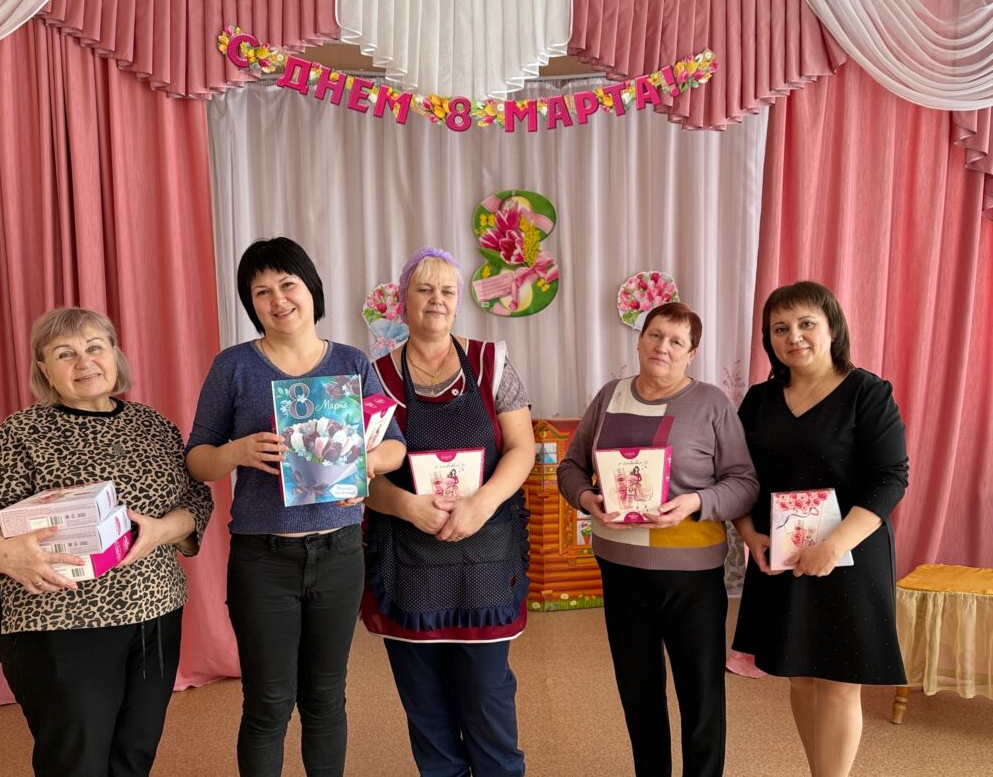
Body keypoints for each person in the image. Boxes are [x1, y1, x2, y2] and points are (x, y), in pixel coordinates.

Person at [185, 237, 405, 777]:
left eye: (288, 284)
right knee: (268, 703)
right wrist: (236, 452)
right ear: (250, 303)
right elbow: (197, 460)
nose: (278, 299)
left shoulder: (351, 362)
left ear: (311, 289)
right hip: (263, 560)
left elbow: (396, 447)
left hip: (339, 555)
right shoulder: (234, 366)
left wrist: (365, 464)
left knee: (326, 699)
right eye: (261, 291)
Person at [0, 306, 213, 777]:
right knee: (76, 760)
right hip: (58, 621)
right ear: (45, 369)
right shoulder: (21, 433)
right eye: (65, 354)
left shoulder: (153, 425)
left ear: (114, 354)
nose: (84, 362)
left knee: (134, 753)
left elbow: (195, 500)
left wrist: (162, 530)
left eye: (94, 347)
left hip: (155, 614)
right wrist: (6, 553)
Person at [558, 302, 759, 777]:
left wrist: (695, 503)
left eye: (676, 341)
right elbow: (571, 467)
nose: (662, 347)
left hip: (691, 575)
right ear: (639, 340)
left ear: (692, 353)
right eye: (655, 335)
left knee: (700, 695)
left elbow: (744, 483)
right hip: (620, 570)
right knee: (638, 692)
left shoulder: (711, 403)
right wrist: (587, 500)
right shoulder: (610, 396)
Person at [362, 247, 534, 777]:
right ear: (402, 300)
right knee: (427, 711)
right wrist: (407, 506)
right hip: (408, 563)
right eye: (424, 289)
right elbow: (359, 477)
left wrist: (482, 502)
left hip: (485, 561)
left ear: (458, 301)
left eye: (447, 291)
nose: (436, 300)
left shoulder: (492, 362)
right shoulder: (374, 377)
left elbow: (522, 448)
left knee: (488, 700)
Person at [731, 281, 908, 777]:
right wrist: (748, 533)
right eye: (780, 328)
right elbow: (739, 477)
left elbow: (891, 478)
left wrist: (832, 546)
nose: (794, 337)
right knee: (801, 677)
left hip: (849, 555)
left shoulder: (867, 393)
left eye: (806, 324)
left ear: (832, 328)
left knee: (837, 682)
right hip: (783, 555)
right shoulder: (759, 400)